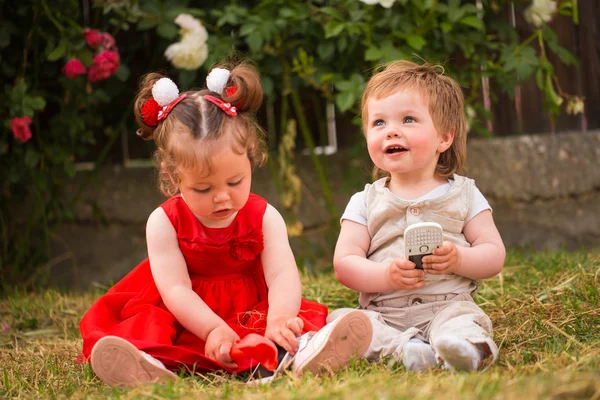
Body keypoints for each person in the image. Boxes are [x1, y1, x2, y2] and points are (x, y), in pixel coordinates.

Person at [78, 61, 372, 387]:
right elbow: (176, 289)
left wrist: (279, 318)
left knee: (283, 329)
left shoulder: (264, 216)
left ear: (251, 159)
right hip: (187, 312)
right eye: (203, 189)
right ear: (174, 178)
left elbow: (282, 274)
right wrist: (211, 328)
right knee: (149, 327)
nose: (222, 198)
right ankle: (147, 366)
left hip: (252, 306)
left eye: (235, 181)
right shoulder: (164, 222)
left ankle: (302, 352)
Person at [331, 60, 506, 372]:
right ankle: (408, 350)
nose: (391, 131)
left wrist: (459, 260)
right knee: (344, 320)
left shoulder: (465, 195)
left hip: (448, 305)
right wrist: (385, 276)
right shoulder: (365, 201)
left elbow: (494, 255)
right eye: (379, 123)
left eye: (408, 119)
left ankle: (464, 349)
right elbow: (345, 264)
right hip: (387, 314)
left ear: (444, 138)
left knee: (463, 322)